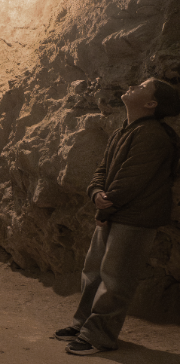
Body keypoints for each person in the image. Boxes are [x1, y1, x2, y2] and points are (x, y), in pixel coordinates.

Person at [55, 78, 180, 356]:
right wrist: (95, 191)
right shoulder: (124, 130)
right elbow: (102, 169)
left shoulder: (153, 134)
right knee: (93, 272)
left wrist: (103, 208)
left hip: (136, 218)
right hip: (115, 211)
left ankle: (99, 336)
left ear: (151, 103)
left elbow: (130, 181)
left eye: (143, 87)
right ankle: (83, 325)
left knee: (115, 280)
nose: (133, 87)